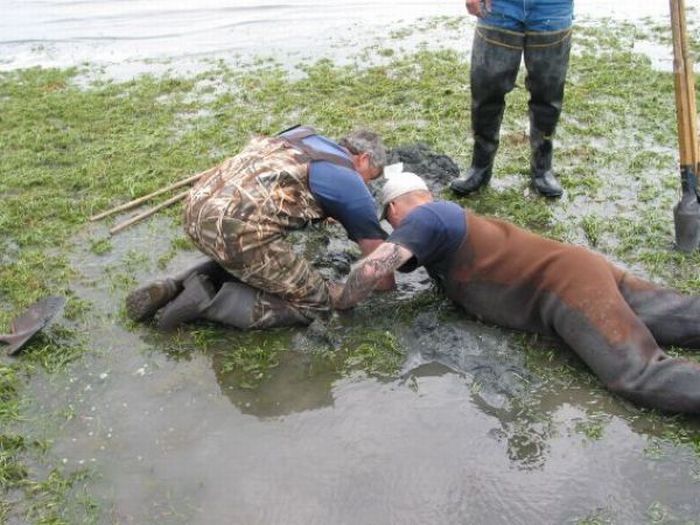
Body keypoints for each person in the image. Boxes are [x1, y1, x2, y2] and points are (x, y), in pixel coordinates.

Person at [333, 168, 700, 414]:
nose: (392, 226)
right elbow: (397, 267)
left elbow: (371, 269)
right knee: (679, 315)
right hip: (578, 267)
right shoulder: (442, 226)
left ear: (395, 207)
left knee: (636, 374)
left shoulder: (425, 218)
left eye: (388, 219)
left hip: (565, 288)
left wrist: (339, 298)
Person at [126, 125, 393, 330]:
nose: (367, 185)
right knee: (316, 303)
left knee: (249, 259)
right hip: (238, 229)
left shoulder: (300, 135)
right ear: (364, 159)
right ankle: (206, 304)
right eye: (371, 178)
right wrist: (389, 290)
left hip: (196, 209)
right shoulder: (351, 183)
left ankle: (175, 284)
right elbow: (380, 267)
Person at [450, 0, 574, 198]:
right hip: (499, 7)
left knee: (548, 96)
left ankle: (542, 168)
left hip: (552, 7)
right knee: (486, 91)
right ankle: (480, 167)